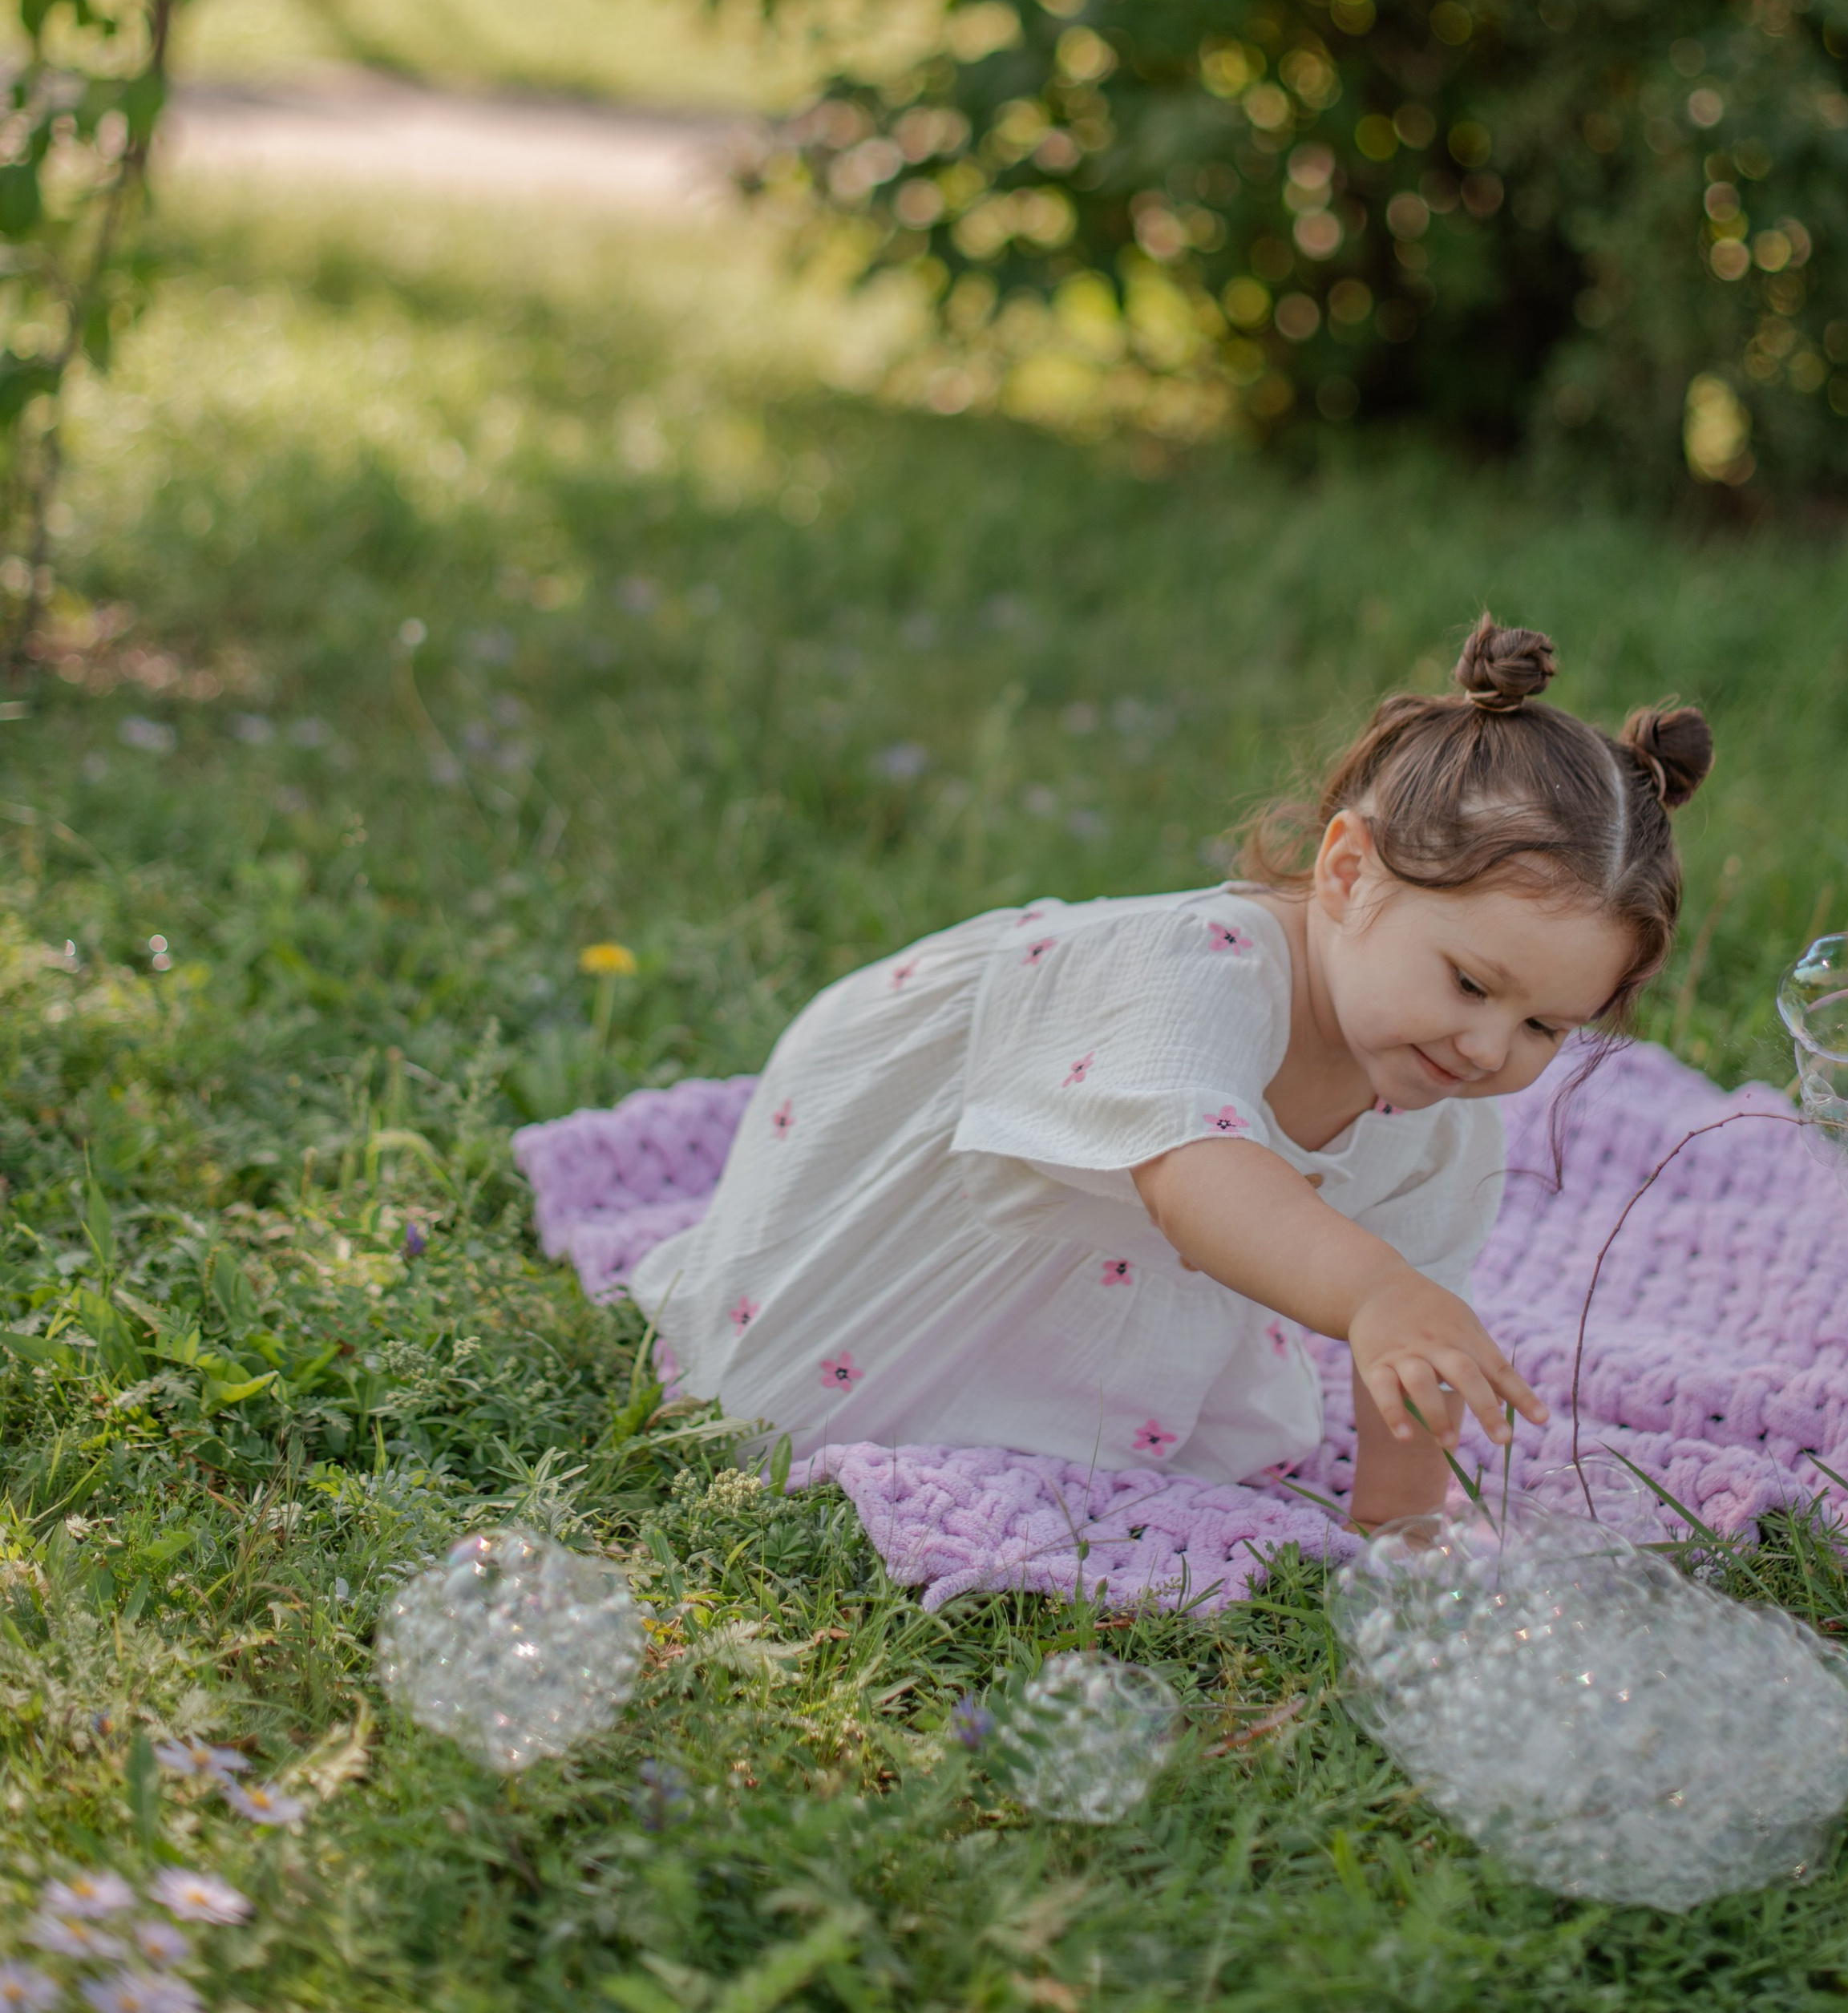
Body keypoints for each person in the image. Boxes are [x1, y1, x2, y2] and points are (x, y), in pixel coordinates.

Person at [628, 616, 1713, 1526]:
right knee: (771, 1418)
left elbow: (1411, 1352)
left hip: (1123, 1248)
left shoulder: (1445, 1114)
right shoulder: (1201, 972)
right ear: (1345, 871)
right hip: (929, 1188)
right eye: (1473, 985)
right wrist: (1374, 1288)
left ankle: (1060, 1389)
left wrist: (1403, 1539)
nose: (1488, 1047)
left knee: (1170, 1427)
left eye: (1544, 1029)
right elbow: (1199, 1185)